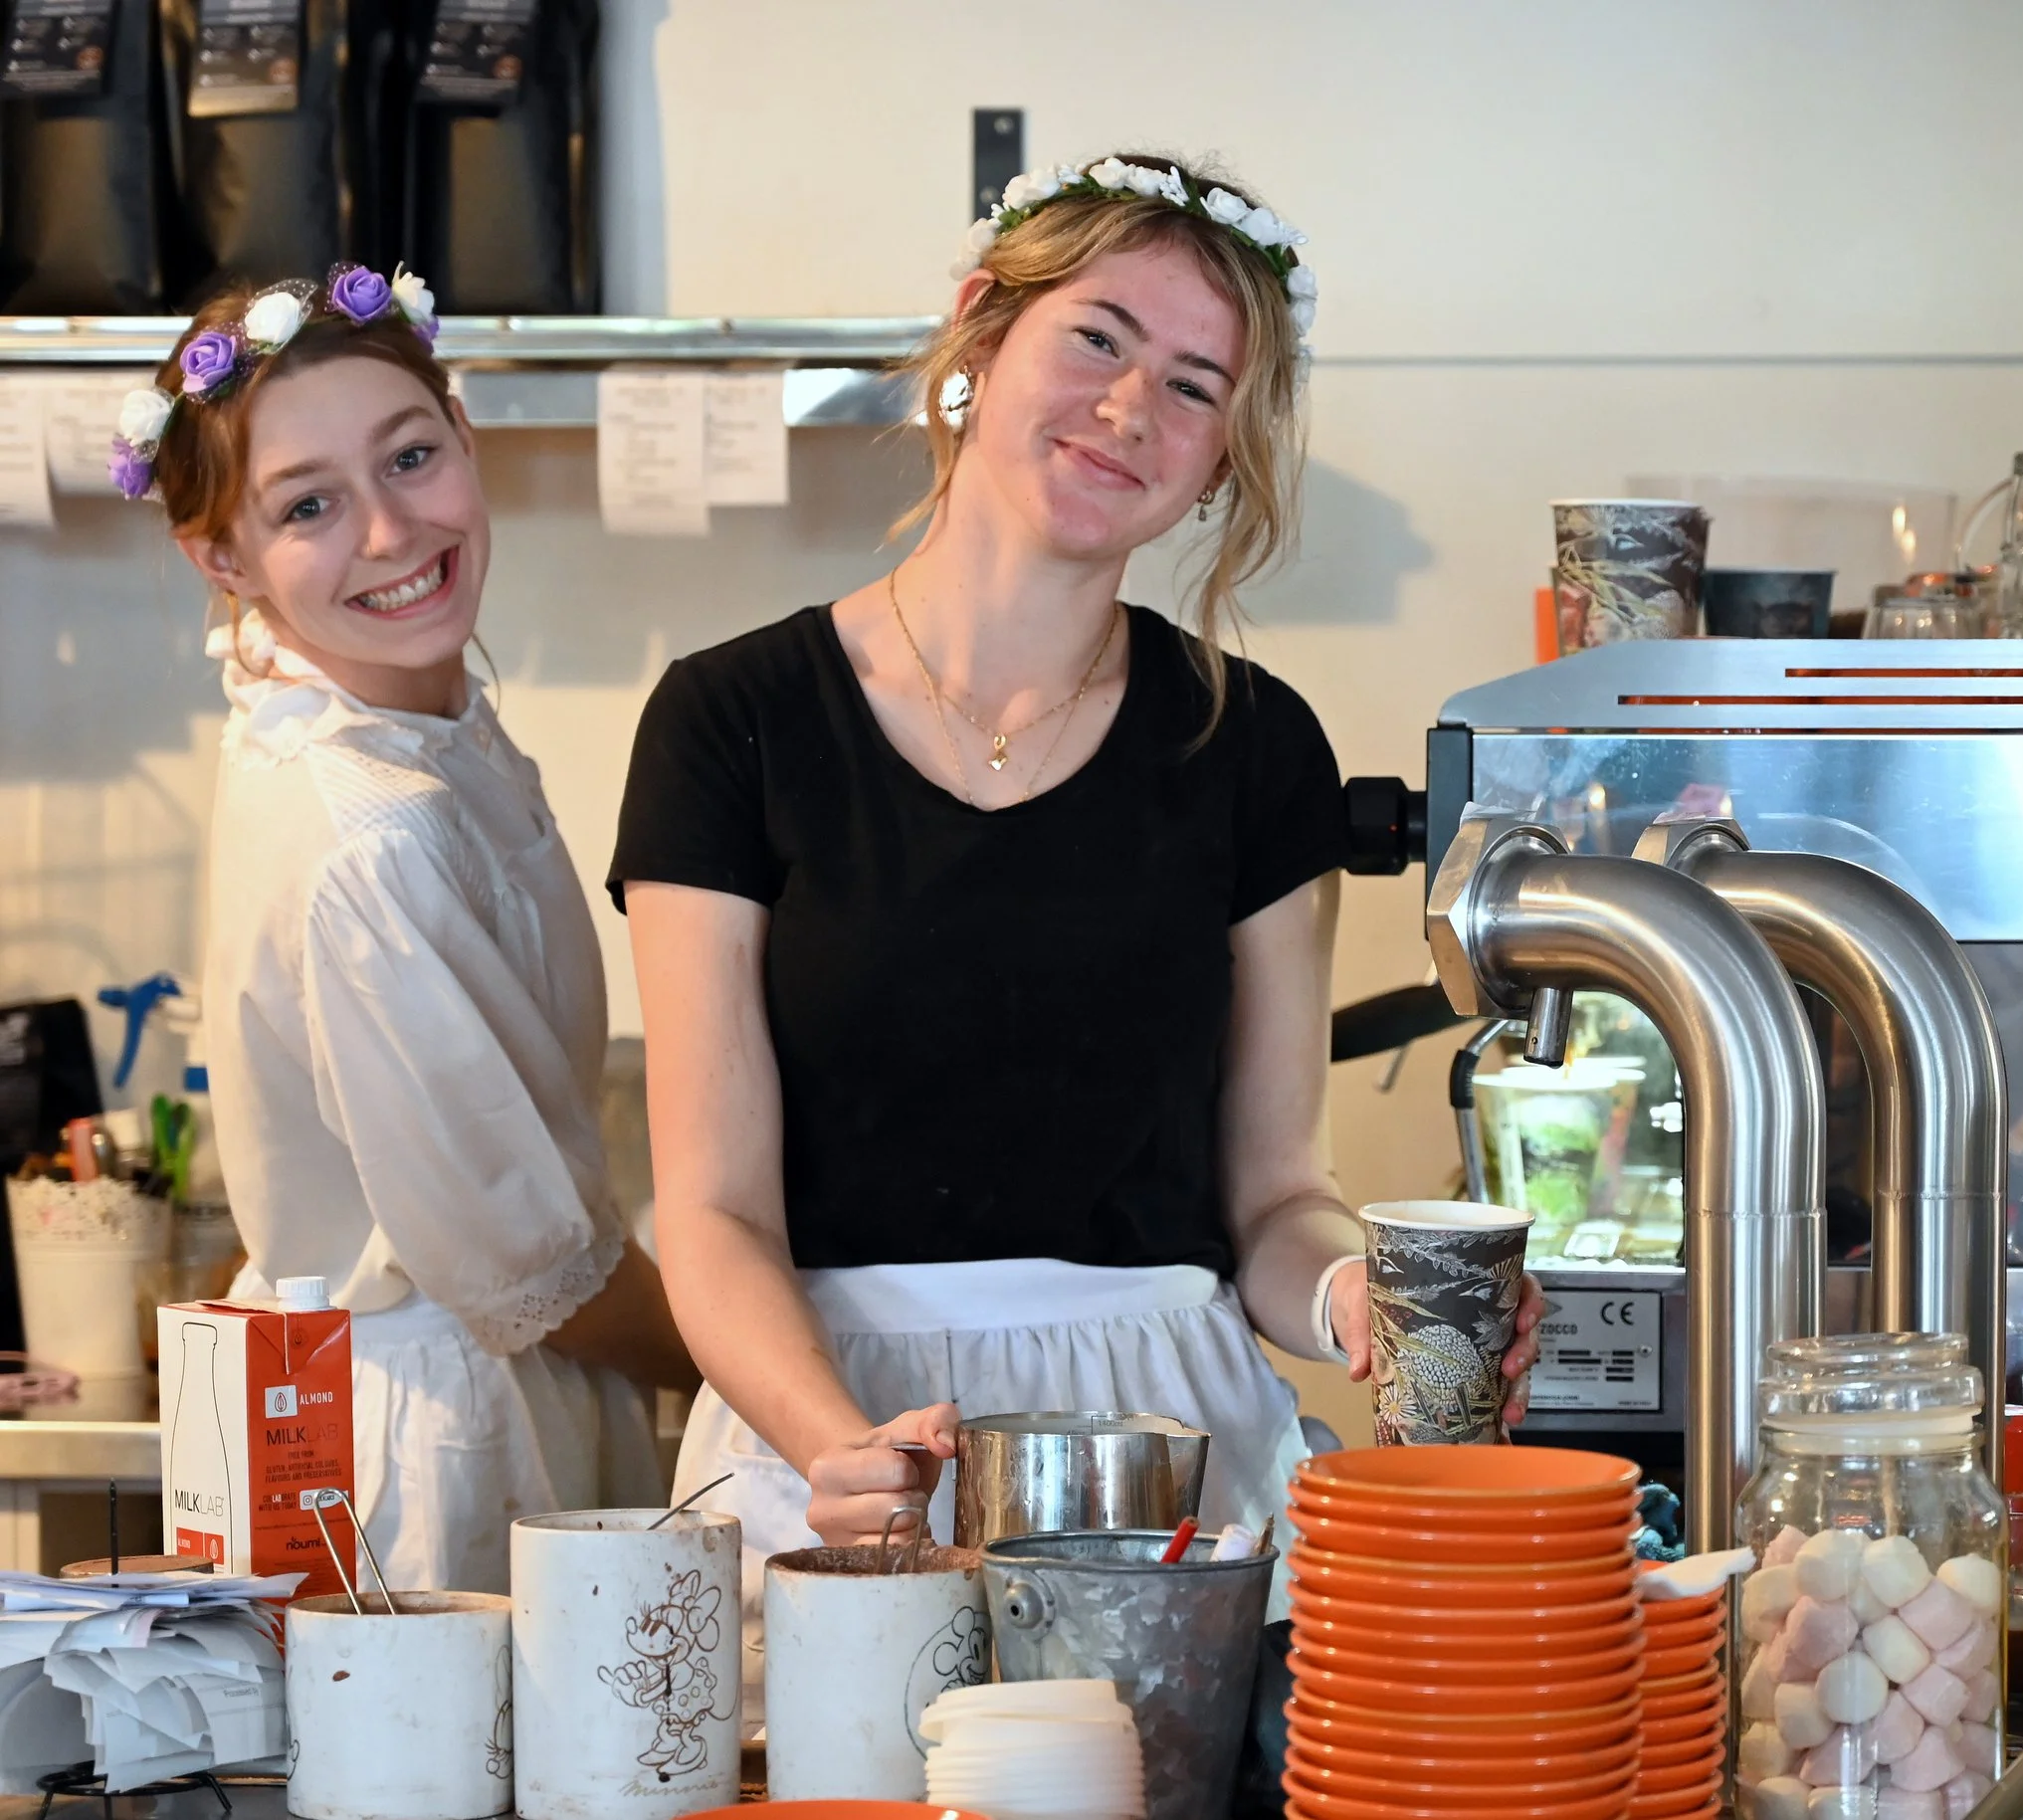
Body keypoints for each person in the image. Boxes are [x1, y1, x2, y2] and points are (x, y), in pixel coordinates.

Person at [611, 154, 1544, 1615]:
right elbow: (716, 1212)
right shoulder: (732, 721)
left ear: (1221, 458)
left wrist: (1356, 1294)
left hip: (1167, 1455)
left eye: (1194, 385)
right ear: (982, 330)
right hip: (828, 1434)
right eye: (1097, 338)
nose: (1129, 408)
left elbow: (1274, 1200)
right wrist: (836, 1446)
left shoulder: (1254, 745)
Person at [120, 266, 698, 1594]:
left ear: (463, 437)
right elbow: (528, 1271)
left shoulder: (406, 727)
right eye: (308, 505)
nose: (389, 531)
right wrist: (769, 1374)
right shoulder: (364, 829)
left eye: (410, 457)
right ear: (223, 558)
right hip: (441, 1441)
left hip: (496, 1386)